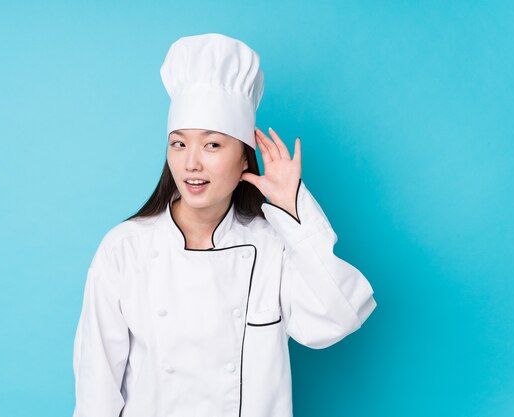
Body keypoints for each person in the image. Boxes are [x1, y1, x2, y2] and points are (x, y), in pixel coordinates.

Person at [72, 33, 377, 417]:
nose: (191, 163)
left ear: (244, 159)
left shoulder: (272, 247)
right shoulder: (124, 248)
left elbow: (338, 317)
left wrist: (293, 211)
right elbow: (96, 387)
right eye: (178, 144)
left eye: (212, 145)